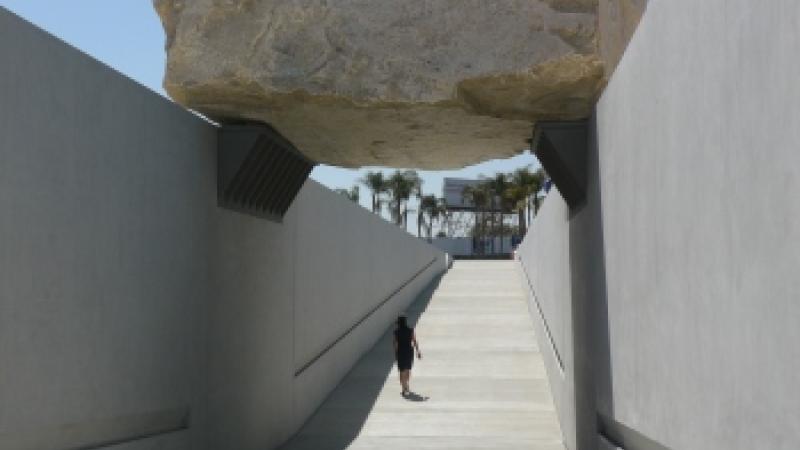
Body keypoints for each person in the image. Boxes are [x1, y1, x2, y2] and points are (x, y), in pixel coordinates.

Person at [393, 313, 422, 396]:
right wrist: (418, 351)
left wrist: (396, 355)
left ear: (399, 323)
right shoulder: (410, 330)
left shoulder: (396, 332)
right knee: (407, 369)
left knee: (401, 370)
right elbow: (414, 341)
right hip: (409, 351)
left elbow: (395, 344)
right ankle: (406, 385)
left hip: (401, 352)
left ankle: (404, 387)